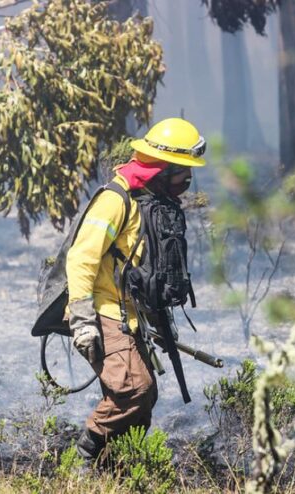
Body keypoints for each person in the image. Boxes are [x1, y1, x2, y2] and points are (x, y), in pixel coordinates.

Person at [65, 117, 206, 462]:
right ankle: (83, 456)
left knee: (144, 404)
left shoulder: (151, 201)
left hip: (132, 316)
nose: (186, 180)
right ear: (162, 168)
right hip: (102, 311)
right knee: (134, 391)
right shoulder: (116, 200)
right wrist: (82, 321)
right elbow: (81, 257)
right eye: (181, 171)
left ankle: (115, 474)